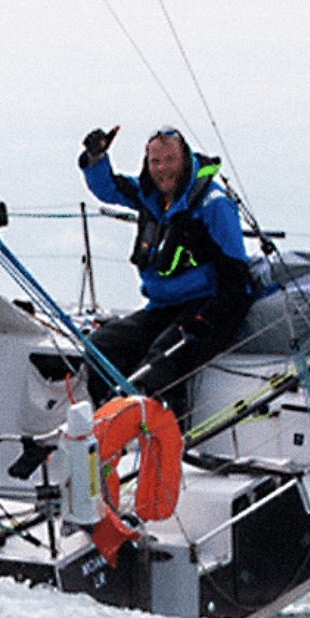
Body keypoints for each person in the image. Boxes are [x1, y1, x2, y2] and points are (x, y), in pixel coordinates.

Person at [78, 126, 252, 419]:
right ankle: (107, 426)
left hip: (209, 305)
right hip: (164, 307)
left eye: (170, 160)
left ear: (184, 158)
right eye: (155, 162)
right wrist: (96, 157)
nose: (162, 169)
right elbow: (109, 188)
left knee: (160, 363)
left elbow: (236, 278)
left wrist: (207, 320)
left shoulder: (214, 204)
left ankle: (170, 435)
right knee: (100, 348)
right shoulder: (149, 195)